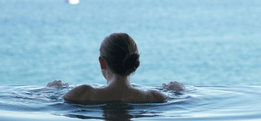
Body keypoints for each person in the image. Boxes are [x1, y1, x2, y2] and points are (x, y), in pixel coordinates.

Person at [48, 33, 184, 103]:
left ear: (102, 63)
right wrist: (177, 91)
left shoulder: (82, 94)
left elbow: (48, 102)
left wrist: (51, 90)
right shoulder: (153, 97)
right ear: (135, 65)